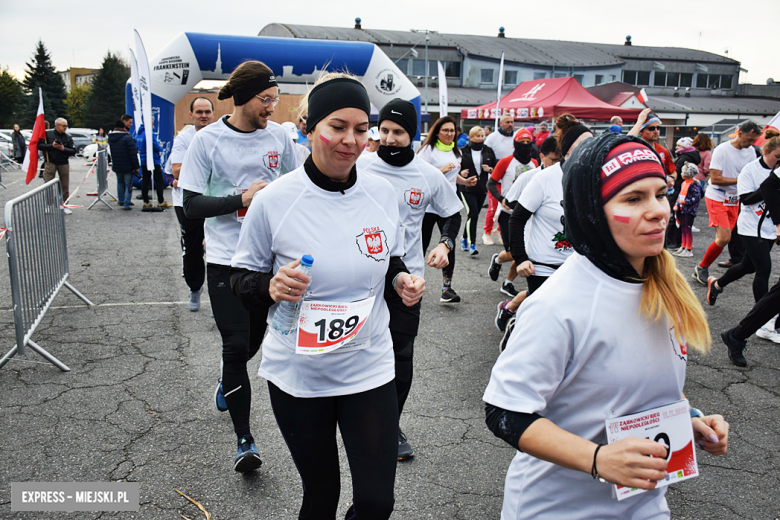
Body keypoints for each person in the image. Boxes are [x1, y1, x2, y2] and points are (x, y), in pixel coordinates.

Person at [484, 132, 729, 519]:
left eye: (660, 193)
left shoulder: (666, 288)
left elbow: (642, 394)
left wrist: (691, 419)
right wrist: (598, 459)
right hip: (556, 509)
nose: (658, 211)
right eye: (633, 198)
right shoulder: (557, 303)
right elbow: (505, 413)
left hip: (646, 505)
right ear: (591, 211)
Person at [230, 73, 425, 519]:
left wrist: (400, 280)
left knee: (377, 503)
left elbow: (390, 258)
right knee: (321, 497)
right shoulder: (275, 200)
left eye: (361, 129)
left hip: (369, 366)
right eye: (337, 126)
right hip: (300, 375)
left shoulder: (381, 193)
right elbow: (240, 277)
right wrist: (270, 286)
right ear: (309, 127)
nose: (351, 141)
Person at [178, 60, 300, 472]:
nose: (271, 107)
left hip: (265, 262)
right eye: (266, 100)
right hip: (224, 259)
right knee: (234, 346)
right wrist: (241, 199)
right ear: (246, 98)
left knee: (251, 345)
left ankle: (227, 383)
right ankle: (244, 441)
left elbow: (296, 185)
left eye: (275, 99)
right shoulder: (207, 141)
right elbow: (191, 204)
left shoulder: (280, 136)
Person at [357, 98, 462, 461]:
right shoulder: (360, 166)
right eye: (383, 130)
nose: (388, 138)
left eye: (398, 132)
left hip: (408, 279)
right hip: (362, 275)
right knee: (361, 351)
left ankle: (390, 425)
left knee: (401, 354)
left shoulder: (428, 175)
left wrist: (446, 245)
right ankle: (354, 419)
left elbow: (453, 214)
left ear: (413, 133)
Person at [495, 119, 588, 348]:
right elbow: (516, 219)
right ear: (568, 150)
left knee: (571, 320)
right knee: (546, 319)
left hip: (576, 265)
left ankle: (519, 320)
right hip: (542, 264)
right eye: (583, 144)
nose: (589, 149)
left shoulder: (591, 180)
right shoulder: (544, 179)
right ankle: (519, 330)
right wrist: (521, 257)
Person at [706, 131, 780, 313]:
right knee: (764, 269)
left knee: (748, 266)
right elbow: (746, 199)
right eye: (777, 156)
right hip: (750, 227)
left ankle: (717, 284)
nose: (779, 161)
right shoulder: (751, 169)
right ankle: (762, 319)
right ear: (766, 151)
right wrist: (769, 185)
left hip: (770, 226)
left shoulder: (777, 171)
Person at [691, 121, 761, 285]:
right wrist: (741, 180)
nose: (751, 144)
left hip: (735, 199)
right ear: (740, 133)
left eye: (753, 141)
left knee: (728, 237)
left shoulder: (751, 152)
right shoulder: (722, 150)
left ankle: (707, 266)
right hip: (717, 196)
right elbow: (715, 179)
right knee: (724, 237)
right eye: (749, 139)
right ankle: (701, 267)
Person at [418, 116, 471, 303]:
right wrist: (440, 170)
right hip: (427, 206)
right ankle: (413, 283)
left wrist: (465, 181)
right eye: (445, 130)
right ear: (437, 132)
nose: (449, 134)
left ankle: (447, 288)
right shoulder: (428, 150)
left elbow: (452, 177)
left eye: (452, 130)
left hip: (447, 205)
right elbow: (418, 176)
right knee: (420, 246)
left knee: (448, 245)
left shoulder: (457, 152)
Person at [170, 98, 214, 310]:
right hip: (187, 201)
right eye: (199, 112)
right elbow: (176, 170)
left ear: (213, 114)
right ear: (191, 115)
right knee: (193, 249)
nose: (203, 115)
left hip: (215, 198)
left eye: (207, 111)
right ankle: (195, 288)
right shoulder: (184, 138)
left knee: (219, 248)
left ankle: (220, 298)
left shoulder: (219, 135)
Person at [486, 128, 538, 297]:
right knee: (512, 252)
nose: (524, 146)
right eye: (521, 143)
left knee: (523, 251)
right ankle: (498, 259)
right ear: (515, 144)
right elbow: (491, 183)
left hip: (527, 213)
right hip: (507, 212)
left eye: (527, 143)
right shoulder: (505, 162)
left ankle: (507, 283)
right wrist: (501, 199)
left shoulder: (535, 164)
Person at [458, 126, 496, 254]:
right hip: (466, 187)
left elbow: (496, 167)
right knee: (473, 213)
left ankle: (464, 238)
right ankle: (471, 244)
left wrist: (489, 170)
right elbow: (455, 167)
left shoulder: (488, 151)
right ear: (470, 137)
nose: (480, 138)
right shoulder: (463, 151)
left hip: (481, 188)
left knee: (473, 216)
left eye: (482, 136)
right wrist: (461, 172)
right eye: (477, 136)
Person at [483, 114, 516, 245]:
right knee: (493, 208)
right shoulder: (492, 138)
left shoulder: (515, 137)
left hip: (511, 179)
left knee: (508, 207)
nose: (510, 124)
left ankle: (499, 230)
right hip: (496, 178)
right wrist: (496, 166)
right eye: (507, 122)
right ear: (501, 123)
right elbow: (485, 155)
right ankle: (487, 232)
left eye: (512, 122)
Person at [666, 137, 701, 249]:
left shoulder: (684, 158)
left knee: (676, 217)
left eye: (679, 146)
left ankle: (675, 242)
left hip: (679, 191)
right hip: (683, 192)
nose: (676, 148)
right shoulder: (691, 157)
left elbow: (675, 172)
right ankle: (681, 243)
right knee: (682, 221)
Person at [38, 118, 76, 215]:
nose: (65, 128)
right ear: (57, 125)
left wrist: (63, 149)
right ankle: (49, 205)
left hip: (63, 162)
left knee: (65, 185)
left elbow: (73, 151)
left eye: (66, 126)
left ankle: (64, 205)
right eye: (64, 126)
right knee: (48, 184)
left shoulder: (68, 137)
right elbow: (39, 146)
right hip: (50, 161)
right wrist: (52, 146)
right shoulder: (47, 134)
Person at [135, 121, 172, 209]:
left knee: (146, 180)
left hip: (143, 160)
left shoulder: (139, 133)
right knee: (159, 181)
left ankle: (146, 201)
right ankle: (161, 201)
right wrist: (160, 147)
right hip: (153, 159)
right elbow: (155, 145)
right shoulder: (149, 133)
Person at [107, 117, 140, 210]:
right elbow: (133, 153)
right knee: (128, 184)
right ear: (123, 128)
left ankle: (121, 200)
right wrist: (136, 166)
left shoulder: (111, 137)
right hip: (128, 165)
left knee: (120, 182)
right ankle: (126, 203)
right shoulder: (128, 137)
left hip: (117, 164)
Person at [671, 163, 702, 258]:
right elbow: (680, 195)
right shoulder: (684, 183)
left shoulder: (694, 184)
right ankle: (683, 246)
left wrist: (684, 201)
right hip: (682, 209)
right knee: (683, 229)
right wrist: (677, 204)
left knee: (687, 229)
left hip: (689, 210)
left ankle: (688, 248)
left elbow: (696, 198)